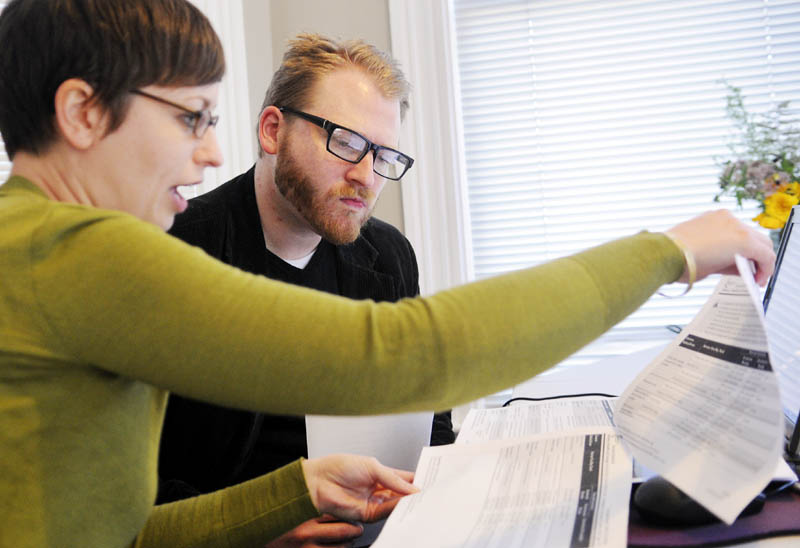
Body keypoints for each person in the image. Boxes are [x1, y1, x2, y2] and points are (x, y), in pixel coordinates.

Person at [0, 0, 776, 547]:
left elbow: (121, 535)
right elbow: (403, 355)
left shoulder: (36, 242)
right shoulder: (78, 250)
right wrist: (666, 252)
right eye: (188, 118)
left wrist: (294, 491)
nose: (208, 152)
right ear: (82, 113)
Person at [157, 34, 455, 548]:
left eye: (384, 156)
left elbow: (430, 417)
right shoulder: (173, 252)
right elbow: (129, 478)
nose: (366, 177)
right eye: (346, 142)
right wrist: (259, 532)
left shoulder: (388, 256)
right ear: (273, 131)